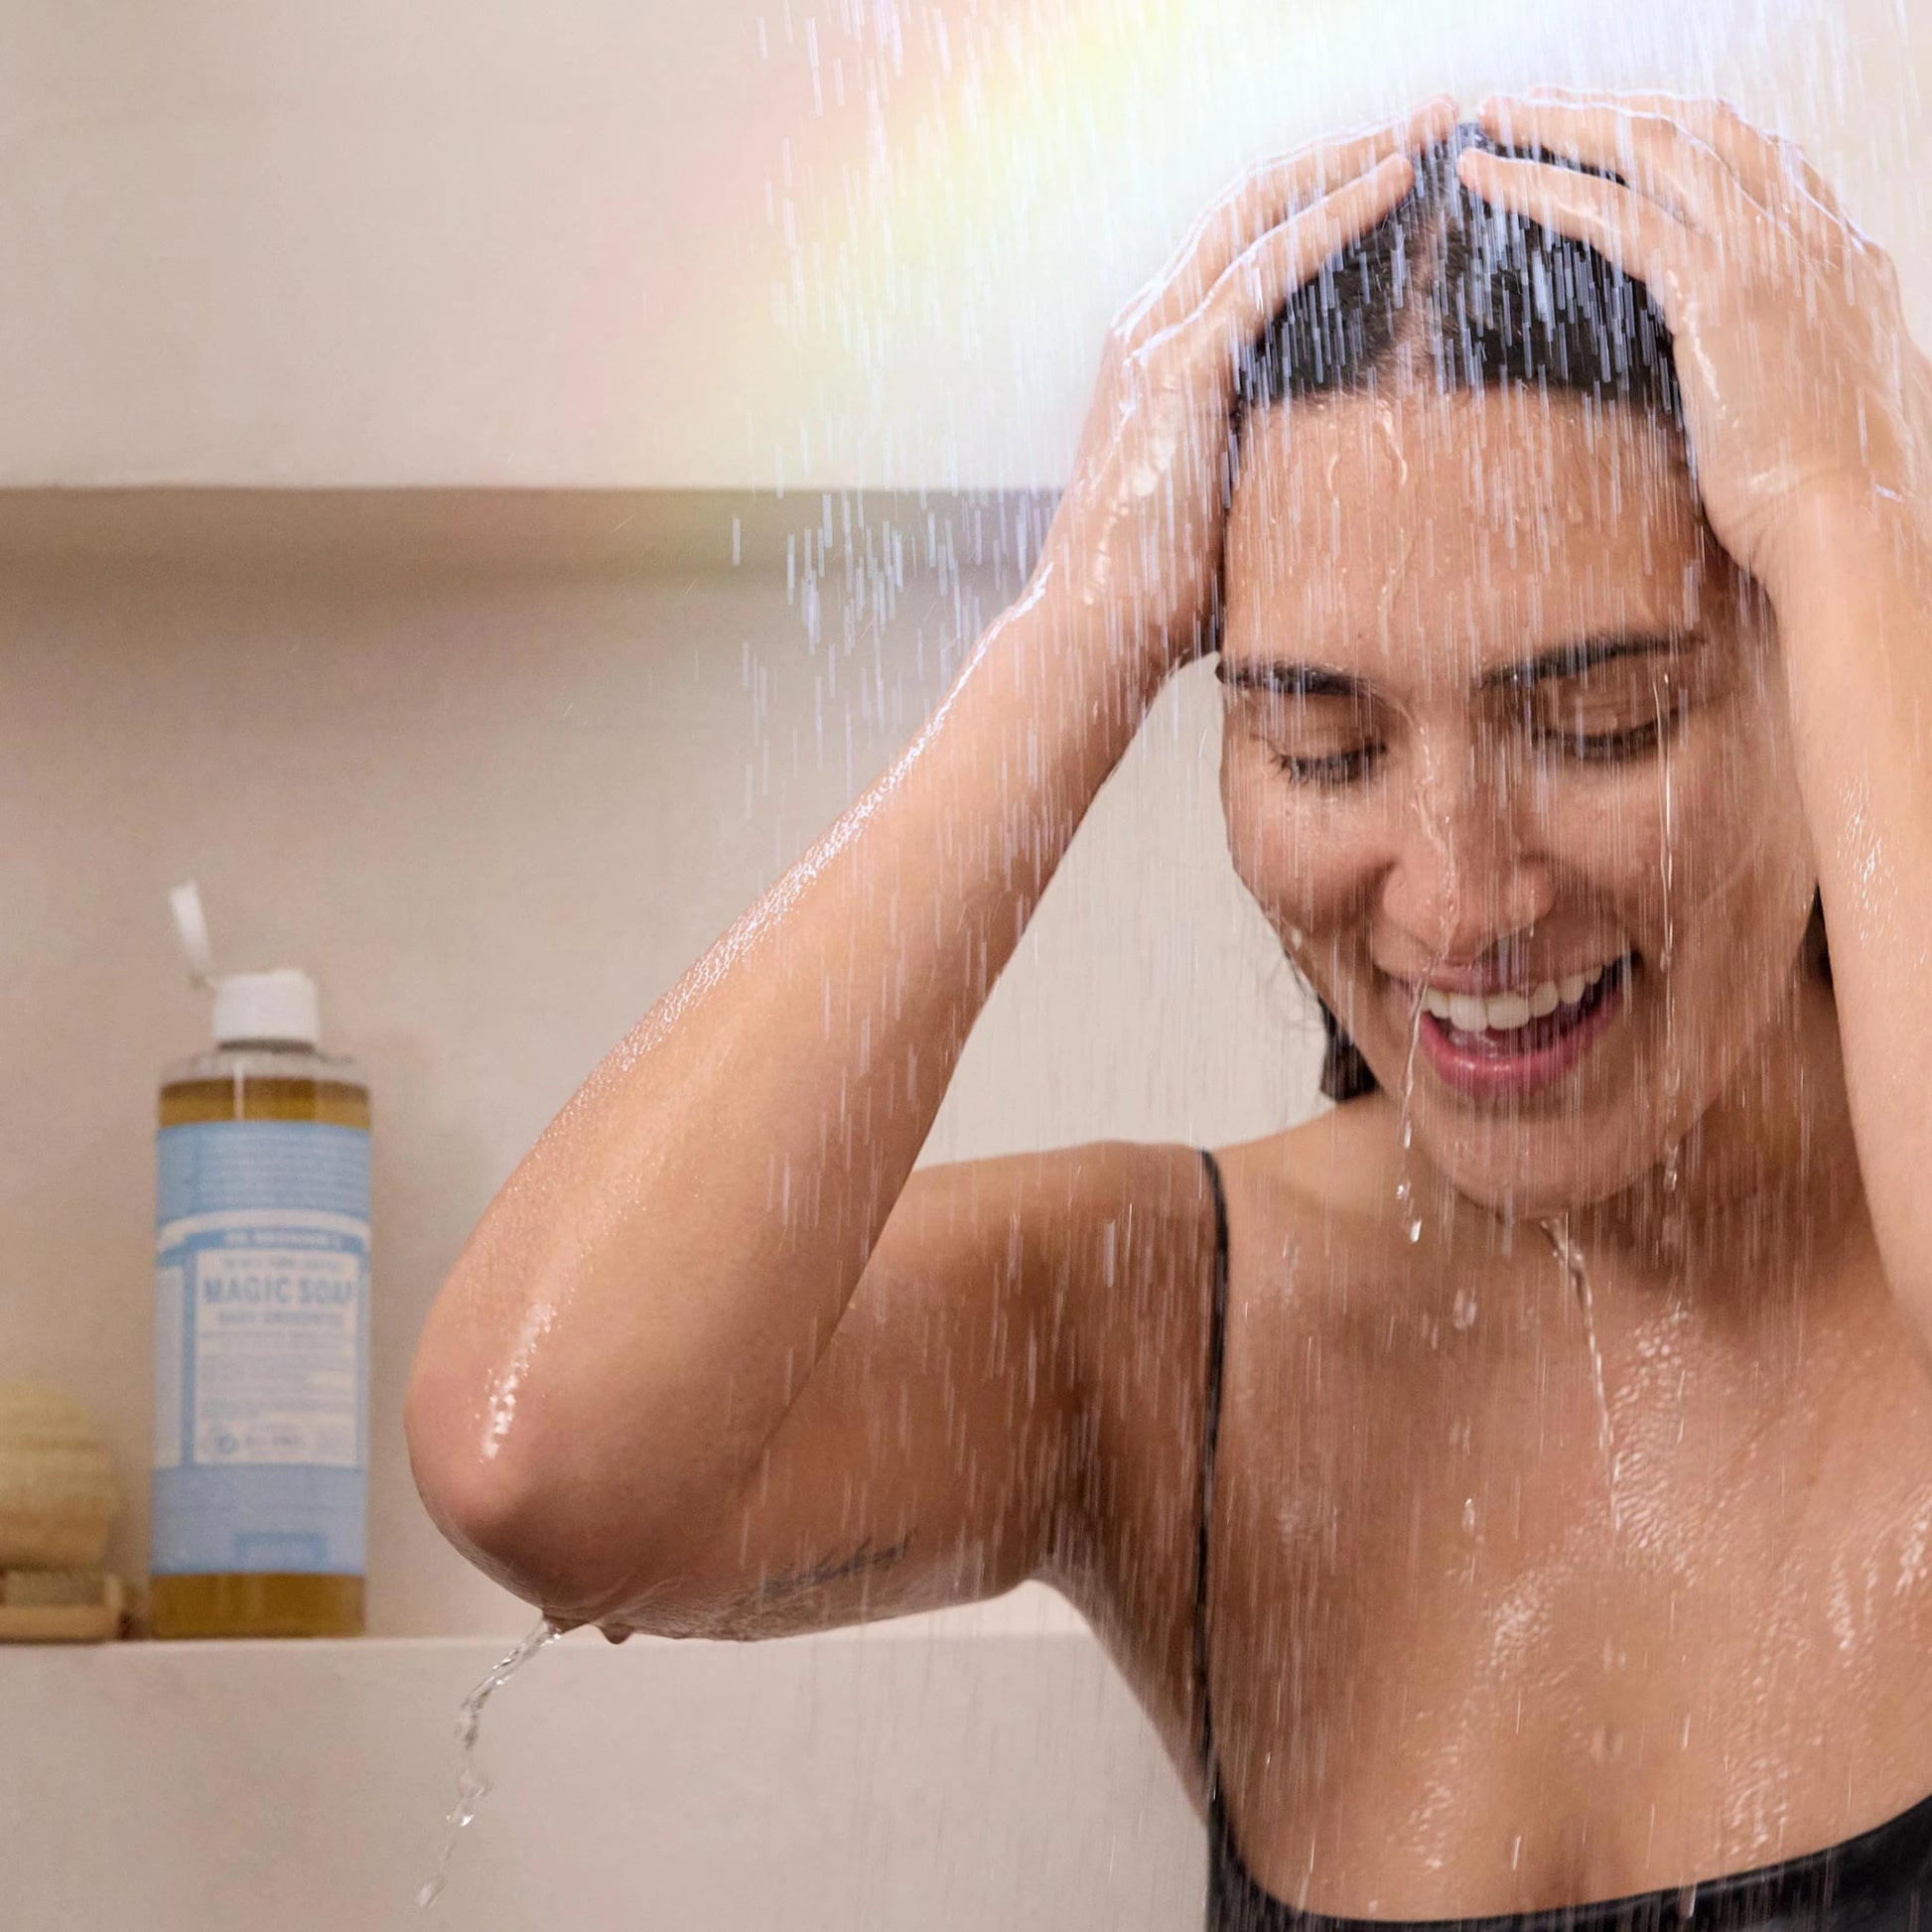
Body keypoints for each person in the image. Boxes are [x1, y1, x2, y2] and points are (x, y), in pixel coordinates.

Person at [407, 90, 1932, 1924]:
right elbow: (539, 1459)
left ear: (1816, 681)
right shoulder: (1163, 1330)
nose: (1457, 893)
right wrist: (1076, 628)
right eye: (1317, 738)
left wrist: (1855, 523)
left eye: (1599, 722)